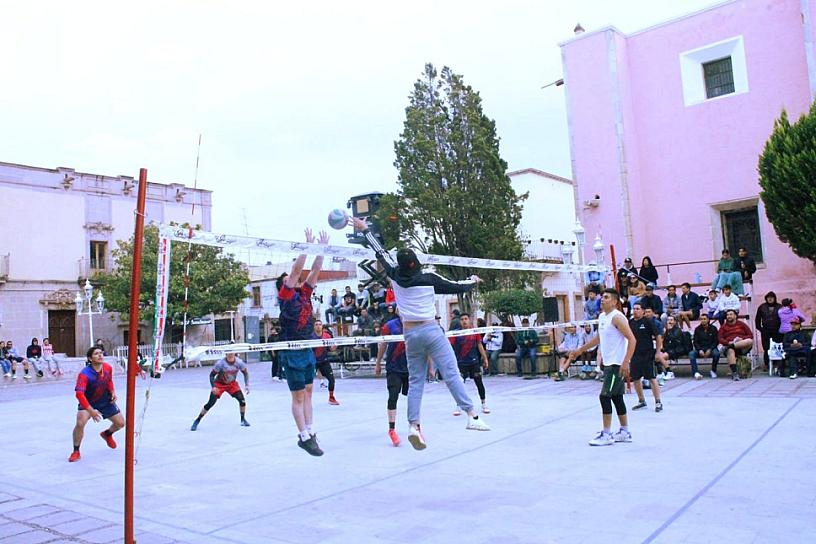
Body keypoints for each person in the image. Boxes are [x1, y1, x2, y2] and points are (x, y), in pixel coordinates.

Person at [354, 217, 490, 451]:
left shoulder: (394, 274)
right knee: (451, 373)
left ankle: (414, 426)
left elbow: (379, 252)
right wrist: (473, 281)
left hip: (410, 334)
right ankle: (472, 416)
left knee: (416, 381)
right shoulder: (428, 278)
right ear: (416, 263)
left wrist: (365, 230)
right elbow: (458, 286)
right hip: (430, 330)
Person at [277, 227, 329, 457]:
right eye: (288, 279)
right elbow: (297, 269)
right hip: (292, 350)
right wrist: (306, 247)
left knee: (309, 391)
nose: (292, 279)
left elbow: (315, 270)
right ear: (285, 283)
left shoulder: (304, 294)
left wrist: (321, 249)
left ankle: (310, 431)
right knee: (298, 395)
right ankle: (303, 436)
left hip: (306, 348)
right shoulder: (286, 297)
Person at [567, 289, 637, 446]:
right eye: (602, 297)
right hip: (608, 363)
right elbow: (598, 338)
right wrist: (580, 350)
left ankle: (606, 434)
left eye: (606, 298)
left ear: (614, 301)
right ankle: (625, 431)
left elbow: (632, 340)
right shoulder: (602, 317)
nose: (602, 300)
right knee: (616, 397)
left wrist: (626, 362)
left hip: (616, 365)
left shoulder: (618, 317)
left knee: (604, 396)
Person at [69, 346, 124, 462]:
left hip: (105, 400)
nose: (100, 355)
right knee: (80, 422)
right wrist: (91, 411)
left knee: (120, 423)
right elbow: (79, 395)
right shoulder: (84, 374)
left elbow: (109, 381)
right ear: (90, 358)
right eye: (96, 354)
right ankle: (76, 451)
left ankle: (107, 434)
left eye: (101, 353)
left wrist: (113, 392)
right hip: (88, 401)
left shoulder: (108, 368)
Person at [375, 308, 410, 446]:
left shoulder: (414, 324)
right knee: (393, 396)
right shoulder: (389, 326)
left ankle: (415, 427)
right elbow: (383, 344)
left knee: (413, 397)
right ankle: (392, 429)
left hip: (410, 367)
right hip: (393, 367)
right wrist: (378, 363)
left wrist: (429, 366)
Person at [190, 352, 251, 431]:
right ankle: (197, 420)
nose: (230, 354)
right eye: (229, 352)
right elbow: (211, 375)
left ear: (234, 352)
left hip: (231, 384)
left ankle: (243, 420)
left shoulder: (239, 362)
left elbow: (245, 373)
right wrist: (213, 387)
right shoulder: (220, 363)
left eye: (232, 352)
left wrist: (247, 385)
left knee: (242, 401)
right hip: (219, 384)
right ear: (226, 353)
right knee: (210, 403)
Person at [450, 314, 490, 415]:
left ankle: (484, 404)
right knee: (459, 385)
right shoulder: (456, 334)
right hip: (461, 363)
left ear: (469, 320)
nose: (464, 321)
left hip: (474, 362)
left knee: (479, 383)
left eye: (466, 319)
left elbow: (480, 345)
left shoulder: (474, 332)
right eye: (462, 319)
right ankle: (458, 406)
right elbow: (450, 347)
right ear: (460, 321)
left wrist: (485, 358)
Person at [627, 302, 664, 412]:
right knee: (636, 379)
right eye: (634, 309)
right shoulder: (630, 323)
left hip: (648, 355)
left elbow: (658, 336)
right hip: (635, 355)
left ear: (643, 311)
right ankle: (641, 401)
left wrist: (658, 352)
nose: (635, 311)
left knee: (652, 378)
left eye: (638, 309)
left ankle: (658, 402)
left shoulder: (648, 321)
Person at [717, 309, 753, 381]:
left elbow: (750, 335)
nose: (729, 316)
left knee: (750, 341)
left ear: (735, 316)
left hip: (741, 345)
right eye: (727, 315)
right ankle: (734, 373)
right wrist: (727, 343)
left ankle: (731, 346)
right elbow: (720, 338)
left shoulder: (742, 324)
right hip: (730, 346)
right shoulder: (723, 327)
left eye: (731, 314)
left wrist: (742, 339)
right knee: (730, 350)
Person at [313, 320, 339, 405]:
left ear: (322, 326)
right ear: (314, 327)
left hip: (323, 361)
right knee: (307, 381)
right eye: (316, 325)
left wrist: (333, 347)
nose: (318, 326)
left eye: (320, 324)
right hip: (312, 361)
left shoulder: (327, 336)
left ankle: (331, 398)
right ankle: (303, 400)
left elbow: (331, 348)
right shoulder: (310, 336)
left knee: (332, 380)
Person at [755, 291, 782, 371]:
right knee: (766, 347)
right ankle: (766, 364)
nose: (770, 299)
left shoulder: (780, 307)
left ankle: (777, 364)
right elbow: (757, 319)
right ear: (766, 299)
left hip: (777, 330)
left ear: (775, 298)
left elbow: (783, 319)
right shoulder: (762, 307)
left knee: (777, 347)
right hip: (766, 330)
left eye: (772, 298)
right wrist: (760, 329)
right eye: (768, 298)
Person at [689, 314, 720, 379]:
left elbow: (716, 341)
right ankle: (696, 373)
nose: (703, 320)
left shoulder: (713, 328)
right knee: (691, 354)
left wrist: (710, 349)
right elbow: (695, 342)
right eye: (701, 319)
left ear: (708, 320)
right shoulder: (697, 329)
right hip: (700, 348)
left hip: (711, 348)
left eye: (704, 319)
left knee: (716, 354)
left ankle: (713, 370)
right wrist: (699, 349)